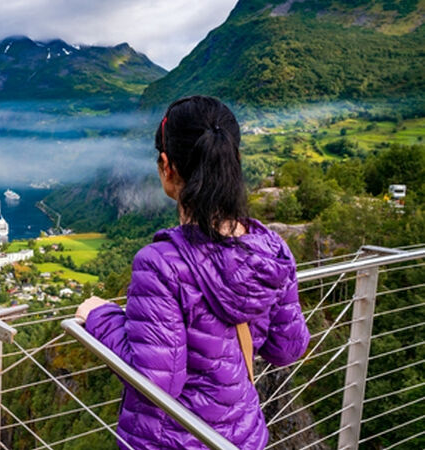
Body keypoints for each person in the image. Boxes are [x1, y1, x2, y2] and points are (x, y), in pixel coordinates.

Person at [75, 96, 310, 449]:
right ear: (234, 161)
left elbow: (156, 384)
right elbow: (287, 348)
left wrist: (101, 317)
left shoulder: (161, 264)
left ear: (167, 167)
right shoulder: (271, 250)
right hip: (243, 438)